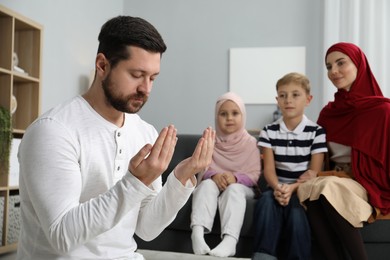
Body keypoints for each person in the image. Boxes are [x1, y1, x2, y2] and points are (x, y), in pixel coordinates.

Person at [16, 16, 216, 260]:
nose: (146, 89)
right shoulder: (53, 131)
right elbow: (62, 236)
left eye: (152, 78)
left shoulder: (145, 133)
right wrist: (135, 182)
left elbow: (147, 228)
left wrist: (180, 178)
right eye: (137, 74)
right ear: (102, 65)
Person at [297, 42, 390, 260]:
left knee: (326, 187)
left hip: (370, 183)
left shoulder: (382, 111)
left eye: (341, 63)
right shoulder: (328, 113)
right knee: (310, 189)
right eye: (329, 66)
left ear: (359, 64)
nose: (334, 71)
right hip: (335, 179)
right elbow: (318, 156)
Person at [252, 72, 327, 260]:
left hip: (302, 190)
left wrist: (292, 188)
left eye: (295, 95)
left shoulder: (316, 132)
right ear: (277, 100)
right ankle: (264, 255)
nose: (288, 100)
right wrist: (278, 188)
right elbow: (268, 170)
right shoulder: (269, 131)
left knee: (297, 212)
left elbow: (314, 172)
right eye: (283, 95)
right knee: (266, 203)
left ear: (308, 100)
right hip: (276, 187)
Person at [190, 92, 261, 257]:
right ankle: (197, 234)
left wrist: (235, 178)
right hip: (214, 184)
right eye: (223, 114)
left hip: (242, 188)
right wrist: (214, 176)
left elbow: (254, 174)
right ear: (216, 116)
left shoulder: (250, 143)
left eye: (235, 113)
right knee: (206, 185)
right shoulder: (210, 140)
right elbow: (201, 167)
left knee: (234, 190)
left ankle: (230, 241)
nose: (229, 118)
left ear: (242, 115)